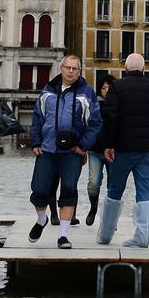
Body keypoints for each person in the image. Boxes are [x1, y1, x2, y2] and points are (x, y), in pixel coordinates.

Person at [28, 55, 101, 249]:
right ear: (60, 68)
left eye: (74, 69)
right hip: (47, 149)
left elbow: (95, 123)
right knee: (39, 191)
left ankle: (63, 235)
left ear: (79, 71)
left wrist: (83, 146)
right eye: (67, 67)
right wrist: (35, 142)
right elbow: (37, 117)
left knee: (69, 191)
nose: (70, 71)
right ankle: (41, 219)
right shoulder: (48, 90)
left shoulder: (87, 93)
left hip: (71, 152)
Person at [96, 54, 149, 248]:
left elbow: (111, 118)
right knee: (144, 190)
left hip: (123, 148)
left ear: (125, 68)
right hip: (148, 149)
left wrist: (109, 144)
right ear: (144, 69)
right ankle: (143, 235)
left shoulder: (118, 87)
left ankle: (105, 235)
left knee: (115, 189)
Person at [82, 73, 114, 226]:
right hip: (95, 150)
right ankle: (93, 207)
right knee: (93, 183)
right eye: (103, 88)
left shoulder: (119, 106)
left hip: (114, 152)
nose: (106, 90)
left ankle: (109, 219)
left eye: (109, 88)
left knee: (113, 186)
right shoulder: (94, 105)